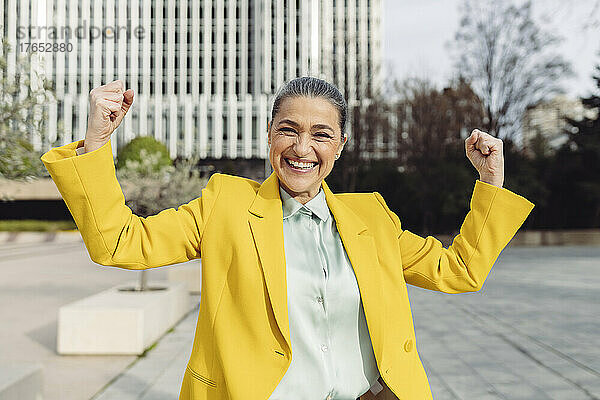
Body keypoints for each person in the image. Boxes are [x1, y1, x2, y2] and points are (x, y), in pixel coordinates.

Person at [41, 76, 534, 400]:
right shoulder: (225, 205)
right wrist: (98, 143)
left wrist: (491, 182)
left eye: (321, 134)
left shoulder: (373, 219)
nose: (302, 148)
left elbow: (459, 271)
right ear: (269, 136)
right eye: (288, 130)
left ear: (341, 146)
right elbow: (119, 242)